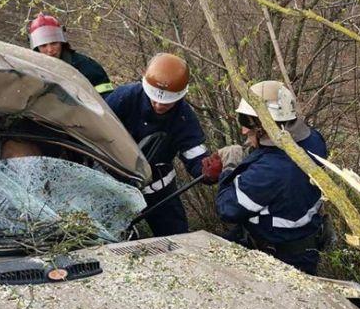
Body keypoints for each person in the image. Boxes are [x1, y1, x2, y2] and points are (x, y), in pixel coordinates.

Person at [215, 81, 328, 275]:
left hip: (277, 258)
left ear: (265, 125)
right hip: (304, 247)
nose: (244, 130)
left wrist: (230, 167)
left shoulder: (270, 169)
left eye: (247, 122)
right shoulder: (313, 140)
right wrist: (253, 153)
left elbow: (228, 209)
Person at [105, 53, 221, 236]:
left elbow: (195, 155)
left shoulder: (184, 118)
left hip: (158, 187)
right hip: (112, 183)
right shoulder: (124, 98)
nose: (159, 105)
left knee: (176, 237)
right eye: (155, 99)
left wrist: (207, 171)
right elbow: (96, 132)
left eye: (167, 102)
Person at [28, 13, 114, 95]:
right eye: (43, 46)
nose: (50, 50)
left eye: (54, 43)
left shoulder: (87, 67)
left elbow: (106, 99)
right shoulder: (31, 71)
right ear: (37, 48)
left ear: (62, 43)